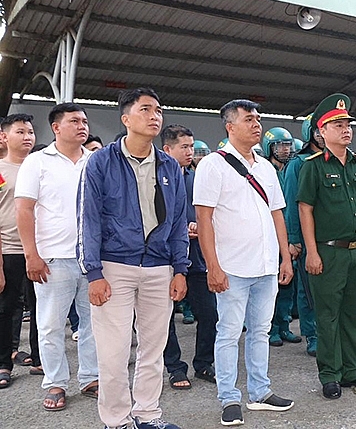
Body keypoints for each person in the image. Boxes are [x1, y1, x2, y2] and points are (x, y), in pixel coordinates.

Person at [77, 88, 189, 429]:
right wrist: (93, 273)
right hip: (114, 268)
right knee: (113, 354)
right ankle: (117, 422)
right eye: (145, 110)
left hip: (158, 267)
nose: (155, 116)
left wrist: (180, 268)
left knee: (153, 351)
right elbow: (88, 218)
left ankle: (148, 415)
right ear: (126, 119)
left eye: (158, 110)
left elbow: (179, 221)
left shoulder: (169, 164)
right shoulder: (101, 161)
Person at [194, 100, 294, 425]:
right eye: (249, 119)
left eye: (258, 119)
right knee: (228, 332)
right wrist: (213, 265)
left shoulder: (265, 167)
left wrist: (284, 258)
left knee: (260, 331)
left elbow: (277, 213)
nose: (257, 124)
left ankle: (260, 392)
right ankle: (228, 398)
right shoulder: (213, 165)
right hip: (232, 267)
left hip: (266, 265)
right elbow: (204, 220)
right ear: (230, 126)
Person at [297, 94, 356, 399]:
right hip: (329, 252)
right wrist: (311, 251)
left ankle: (353, 370)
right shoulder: (313, 167)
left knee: (355, 313)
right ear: (321, 131)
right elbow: (305, 209)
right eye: (337, 124)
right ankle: (330, 375)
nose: (346, 129)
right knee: (328, 315)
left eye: (347, 123)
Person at [16, 103, 99, 409]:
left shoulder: (95, 161)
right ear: (56, 127)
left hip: (91, 259)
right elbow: (24, 210)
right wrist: (31, 255)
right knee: (51, 325)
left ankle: (90, 377)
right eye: (75, 121)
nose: (82, 126)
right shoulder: (37, 162)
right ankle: (55, 382)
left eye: (85, 121)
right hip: (52, 259)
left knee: (93, 323)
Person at [160, 124, 218, 390]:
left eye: (191, 147)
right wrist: (180, 228)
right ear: (167, 149)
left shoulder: (196, 178)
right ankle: (174, 366)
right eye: (184, 147)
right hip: (163, 259)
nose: (190, 152)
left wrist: (198, 226)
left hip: (196, 258)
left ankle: (203, 362)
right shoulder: (155, 179)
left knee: (209, 313)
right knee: (164, 317)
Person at [0, 113, 41, 389]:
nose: (27, 137)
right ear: (4, 136)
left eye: (30, 132)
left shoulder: (40, 166)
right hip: (9, 249)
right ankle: (4, 363)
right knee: (6, 308)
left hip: (40, 250)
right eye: (20, 132)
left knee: (42, 307)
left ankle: (40, 358)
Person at [282, 116, 319, 357]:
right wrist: (294, 239)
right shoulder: (299, 163)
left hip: (333, 238)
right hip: (308, 238)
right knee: (308, 291)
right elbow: (292, 203)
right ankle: (312, 335)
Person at [262, 127, 302, 348]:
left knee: (288, 285)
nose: (286, 150)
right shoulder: (265, 171)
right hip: (271, 236)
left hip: (289, 235)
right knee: (273, 286)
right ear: (270, 147)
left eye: (288, 145)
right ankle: (271, 329)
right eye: (280, 145)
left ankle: (284, 325)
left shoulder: (292, 171)